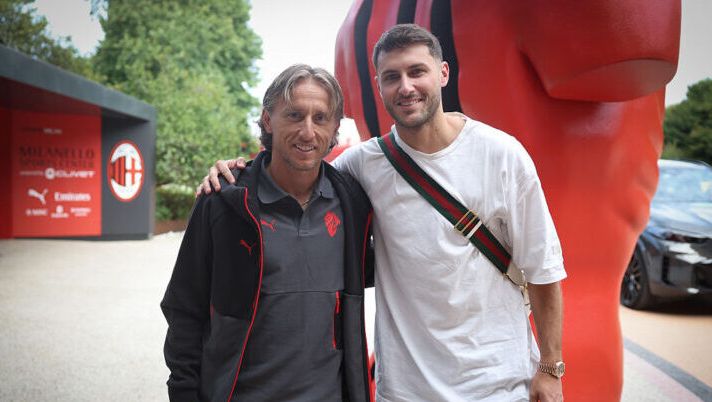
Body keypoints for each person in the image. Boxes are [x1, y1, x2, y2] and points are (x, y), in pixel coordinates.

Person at [201, 24, 566, 402]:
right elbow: (294, 171)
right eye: (392, 77)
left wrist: (550, 369)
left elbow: (543, 269)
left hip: (499, 384)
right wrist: (237, 173)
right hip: (406, 390)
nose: (405, 86)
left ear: (442, 73)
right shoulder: (362, 165)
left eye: (417, 71)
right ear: (379, 86)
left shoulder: (502, 155)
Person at [162, 64, 374, 402]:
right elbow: (185, 309)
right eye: (293, 115)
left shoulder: (352, 202)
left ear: (335, 128)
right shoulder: (225, 202)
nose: (307, 131)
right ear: (267, 120)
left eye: (320, 118)